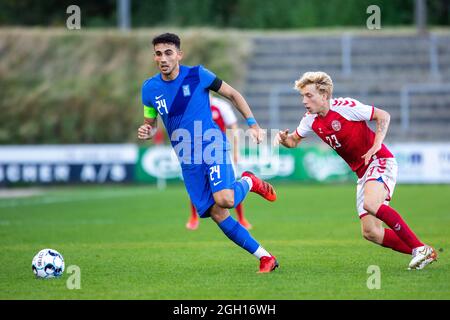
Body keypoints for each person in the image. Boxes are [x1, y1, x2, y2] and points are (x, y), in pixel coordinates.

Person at [138, 33, 278, 273]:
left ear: (179, 55)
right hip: (186, 157)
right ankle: (266, 258)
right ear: (154, 57)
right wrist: (147, 131)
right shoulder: (149, 89)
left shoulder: (198, 75)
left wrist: (253, 124)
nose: (163, 58)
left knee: (225, 199)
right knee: (217, 212)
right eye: (159, 53)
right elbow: (150, 125)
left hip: (212, 145)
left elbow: (233, 94)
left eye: (169, 53)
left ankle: (249, 181)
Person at [274, 71, 437, 270]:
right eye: (302, 96)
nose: (304, 101)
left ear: (324, 95)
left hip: (379, 160)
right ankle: (422, 250)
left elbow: (383, 115)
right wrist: (285, 140)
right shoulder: (309, 120)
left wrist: (377, 144)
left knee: (371, 203)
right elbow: (293, 141)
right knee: (371, 233)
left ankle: (420, 249)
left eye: (309, 95)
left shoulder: (345, 107)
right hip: (362, 173)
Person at [186, 95, 252, 230]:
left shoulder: (221, 106)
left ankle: (242, 219)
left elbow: (233, 127)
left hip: (219, 152)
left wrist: (235, 151)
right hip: (198, 152)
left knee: (230, 185)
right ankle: (193, 218)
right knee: (196, 185)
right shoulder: (193, 105)